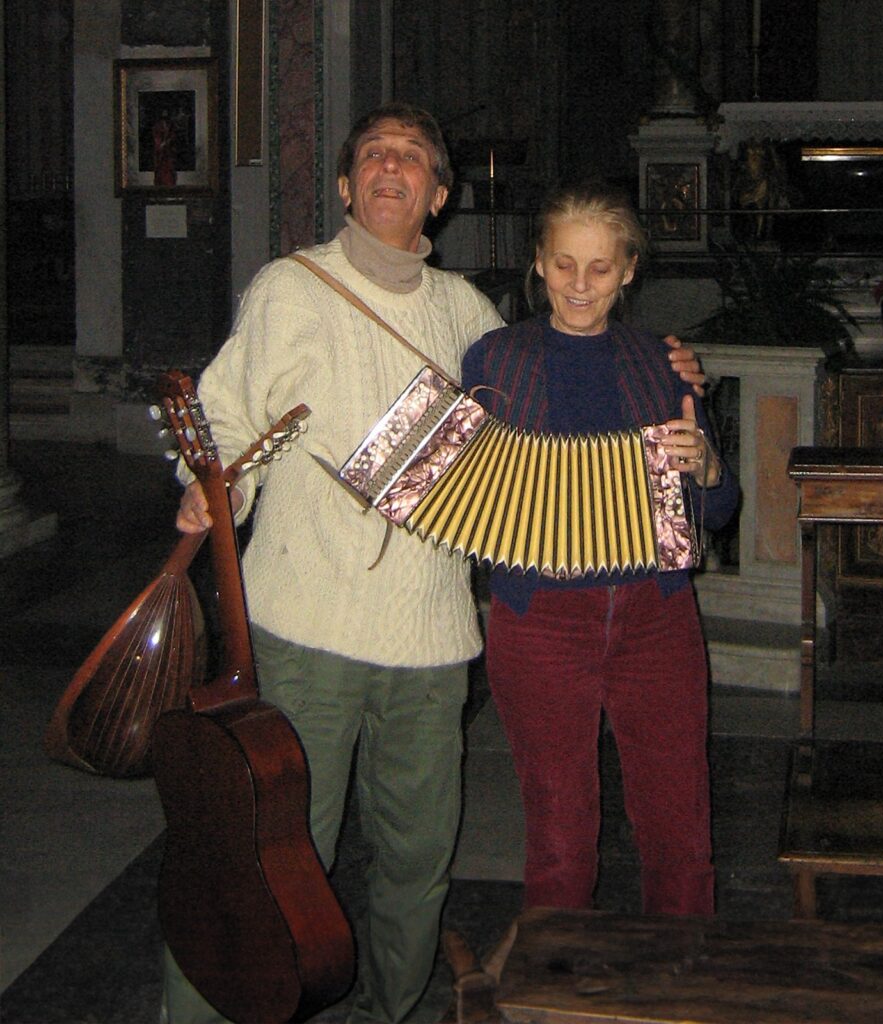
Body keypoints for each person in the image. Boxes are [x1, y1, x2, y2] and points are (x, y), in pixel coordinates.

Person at [166, 104, 706, 1024]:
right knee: (276, 851)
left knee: (418, 865)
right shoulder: (288, 288)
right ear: (344, 184)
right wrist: (207, 486)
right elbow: (223, 417)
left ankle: (392, 1011)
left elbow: (522, 454)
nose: (390, 169)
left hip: (432, 634)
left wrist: (684, 406)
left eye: (413, 159)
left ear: (441, 197)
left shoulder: (470, 319)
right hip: (309, 619)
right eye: (373, 156)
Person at [461, 180, 739, 918]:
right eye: (563, 265)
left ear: (629, 270)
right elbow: (458, 494)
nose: (580, 285)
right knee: (559, 837)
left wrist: (708, 469)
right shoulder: (493, 361)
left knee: (681, 832)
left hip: (657, 614)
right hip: (541, 620)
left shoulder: (662, 362)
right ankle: (558, 994)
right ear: (539, 265)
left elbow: (717, 508)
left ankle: (679, 987)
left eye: (600, 268)